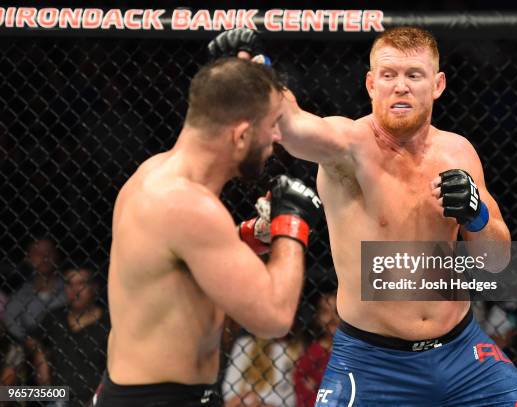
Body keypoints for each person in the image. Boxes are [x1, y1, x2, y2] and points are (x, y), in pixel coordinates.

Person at [209, 27, 517, 405]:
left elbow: (495, 262)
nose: (401, 87)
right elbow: (290, 124)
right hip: (372, 363)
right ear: (370, 84)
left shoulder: (459, 153)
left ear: (437, 84)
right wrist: (257, 74)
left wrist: (477, 216)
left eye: (414, 75)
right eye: (389, 75)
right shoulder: (347, 149)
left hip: (462, 352)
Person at [92, 58, 322, 406]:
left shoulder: (155, 174)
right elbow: (274, 318)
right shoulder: (189, 206)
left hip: (156, 392)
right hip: (159, 399)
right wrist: (292, 223)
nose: (277, 136)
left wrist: (249, 235)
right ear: (241, 134)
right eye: (273, 124)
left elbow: (187, 261)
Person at [29, 267, 109, 406]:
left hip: (96, 396)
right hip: (58, 394)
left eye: (81, 283)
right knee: (10, 392)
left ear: (94, 288)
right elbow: (31, 339)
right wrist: (40, 356)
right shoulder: (55, 317)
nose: (75, 290)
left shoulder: (108, 322)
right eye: (69, 284)